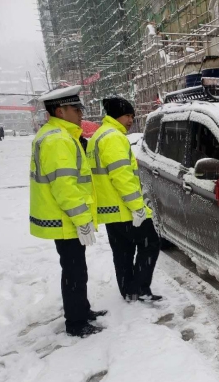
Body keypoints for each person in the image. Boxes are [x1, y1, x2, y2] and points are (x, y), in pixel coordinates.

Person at [30, 85, 106, 338]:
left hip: (64, 216)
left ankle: (82, 310)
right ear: (60, 111)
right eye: (76, 109)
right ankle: (76, 323)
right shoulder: (58, 139)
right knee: (74, 271)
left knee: (75, 268)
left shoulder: (57, 134)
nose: (81, 113)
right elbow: (65, 186)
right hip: (65, 218)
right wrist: (82, 220)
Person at [87, 96, 161, 302]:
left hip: (110, 208)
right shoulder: (113, 137)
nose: (130, 120)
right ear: (116, 115)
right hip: (125, 208)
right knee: (150, 243)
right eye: (127, 115)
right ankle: (140, 288)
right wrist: (137, 207)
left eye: (132, 116)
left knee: (122, 251)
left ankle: (128, 290)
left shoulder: (98, 136)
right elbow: (122, 176)